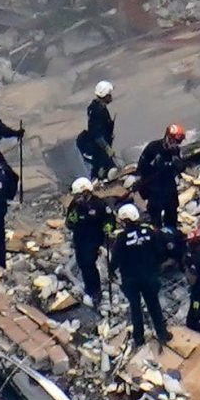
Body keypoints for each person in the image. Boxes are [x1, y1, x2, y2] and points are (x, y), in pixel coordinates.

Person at [112, 203, 171, 352]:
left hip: (131, 279)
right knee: (154, 305)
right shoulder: (150, 232)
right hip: (149, 276)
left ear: (125, 220)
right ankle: (162, 334)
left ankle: (139, 338)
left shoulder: (122, 238)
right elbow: (160, 251)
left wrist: (111, 270)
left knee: (135, 307)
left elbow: (115, 260)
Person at [135, 124, 195, 231]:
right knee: (155, 216)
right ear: (167, 137)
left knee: (172, 212)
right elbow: (141, 167)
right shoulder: (153, 148)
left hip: (169, 185)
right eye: (173, 141)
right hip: (154, 187)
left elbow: (179, 167)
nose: (175, 145)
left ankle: (171, 232)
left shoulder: (175, 151)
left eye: (178, 143)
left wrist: (179, 166)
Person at [66, 177, 112, 310]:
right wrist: (70, 221)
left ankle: (95, 290)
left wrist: (108, 226)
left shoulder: (99, 205)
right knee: (82, 263)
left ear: (86, 193)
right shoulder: (75, 205)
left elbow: (109, 218)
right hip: (80, 238)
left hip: (94, 239)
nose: (77, 199)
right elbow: (69, 222)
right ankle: (88, 287)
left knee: (89, 263)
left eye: (79, 196)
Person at [77, 80, 118, 179]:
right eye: (109, 94)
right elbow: (97, 134)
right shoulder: (98, 111)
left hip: (99, 147)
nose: (111, 96)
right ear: (105, 96)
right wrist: (107, 148)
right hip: (98, 148)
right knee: (110, 170)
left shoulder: (95, 107)